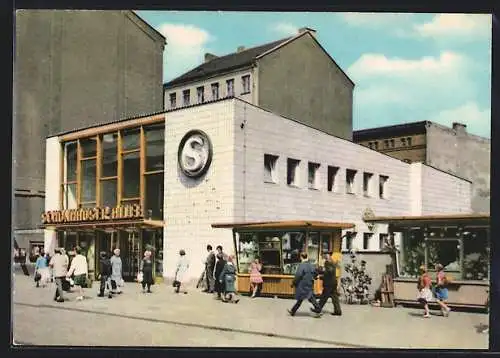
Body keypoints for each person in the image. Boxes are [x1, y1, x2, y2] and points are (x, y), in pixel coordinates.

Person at [287, 252, 321, 318]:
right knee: (308, 298)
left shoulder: (302, 265)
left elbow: (298, 275)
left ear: (301, 257)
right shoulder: (311, 265)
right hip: (310, 284)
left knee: (303, 298)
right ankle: (293, 311)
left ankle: (318, 309)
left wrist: (293, 283)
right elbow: (315, 273)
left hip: (303, 285)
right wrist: (314, 277)